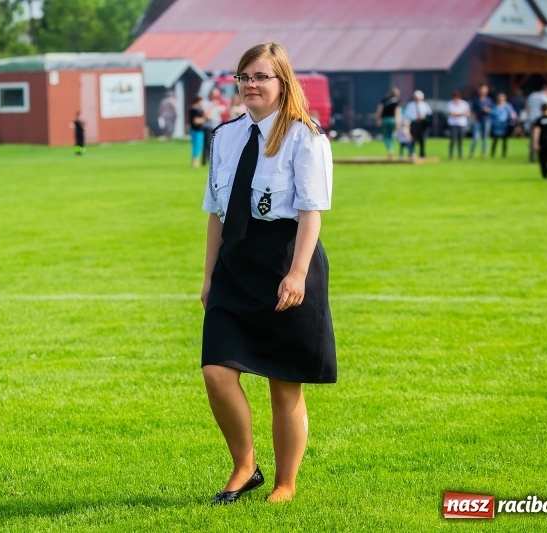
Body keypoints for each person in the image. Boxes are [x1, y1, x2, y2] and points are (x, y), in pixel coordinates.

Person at [200, 40, 335, 505]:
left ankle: (285, 484)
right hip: (235, 265)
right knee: (216, 372)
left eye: (261, 76)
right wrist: (209, 276)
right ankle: (244, 467)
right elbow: (215, 213)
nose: (251, 84)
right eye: (244, 76)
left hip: (286, 261)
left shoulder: (305, 136)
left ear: (283, 82)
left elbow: (311, 213)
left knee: (283, 382)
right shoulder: (224, 136)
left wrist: (297, 274)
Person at [525, 85, 547, 162]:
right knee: (542, 138)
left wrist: (528, 117)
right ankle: (542, 156)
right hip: (543, 120)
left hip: (532, 119)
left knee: (533, 138)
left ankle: (532, 157)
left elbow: (527, 107)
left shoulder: (532, 96)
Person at [202, 87, 229, 165]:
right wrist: (212, 105)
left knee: (216, 143)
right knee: (207, 143)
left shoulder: (218, 102)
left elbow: (223, 111)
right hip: (208, 126)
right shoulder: (205, 102)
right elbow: (205, 112)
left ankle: (213, 159)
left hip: (217, 125)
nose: (215, 96)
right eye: (214, 95)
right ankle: (205, 160)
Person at [402, 90, 432, 158]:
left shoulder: (425, 105)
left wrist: (424, 117)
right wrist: (415, 117)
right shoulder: (410, 105)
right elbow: (407, 115)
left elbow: (429, 114)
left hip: (422, 124)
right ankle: (412, 153)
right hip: (414, 123)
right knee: (413, 139)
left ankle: (422, 153)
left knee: (422, 138)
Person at [469, 84, 494, 158]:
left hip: (486, 120)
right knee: (475, 137)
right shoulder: (475, 100)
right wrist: (474, 119)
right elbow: (473, 111)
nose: (484, 91)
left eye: (485, 89)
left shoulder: (489, 100)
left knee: (485, 138)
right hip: (478, 121)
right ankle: (471, 152)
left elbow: (493, 110)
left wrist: (487, 110)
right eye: (482, 89)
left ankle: (483, 153)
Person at [375, 88, 401, 159]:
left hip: (385, 120)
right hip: (393, 120)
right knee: (391, 135)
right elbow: (397, 113)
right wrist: (398, 123)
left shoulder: (384, 100)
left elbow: (379, 110)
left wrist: (378, 119)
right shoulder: (397, 102)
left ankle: (390, 149)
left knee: (386, 136)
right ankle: (391, 148)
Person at [490, 93, 517, 158]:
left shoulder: (507, 106)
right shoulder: (494, 106)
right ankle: (492, 153)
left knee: (504, 140)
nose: (501, 101)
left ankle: (504, 154)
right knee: (495, 140)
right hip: (496, 126)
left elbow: (513, 113)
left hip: (505, 125)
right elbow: (492, 114)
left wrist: (513, 118)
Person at [447, 91, 470, 160]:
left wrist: (457, 114)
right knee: (453, 140)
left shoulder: (464, 104)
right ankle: (451, 155)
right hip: (453, 124)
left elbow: (467, 113)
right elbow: (452, 114)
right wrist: (461, 114)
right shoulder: (450, 104)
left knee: (461, 141)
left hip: (462, 124)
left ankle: (460, 155)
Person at [190, 96, 206, 168]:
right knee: (197, 146)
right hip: (197, 130)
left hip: (196, 130)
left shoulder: (194, 109)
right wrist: (204, 119)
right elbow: (196, 121)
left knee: (198, 145)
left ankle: (195, 161)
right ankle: (195, 161)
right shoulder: (195, 110)